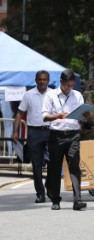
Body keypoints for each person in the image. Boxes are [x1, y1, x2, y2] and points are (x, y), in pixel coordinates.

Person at [42, 69, 87, 211]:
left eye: (72, 85)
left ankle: (77, 199)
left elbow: (82, 115)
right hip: (56, 135)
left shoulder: (77, 95)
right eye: (67, 85)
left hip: (73, 134)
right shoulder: (51, 95)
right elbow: (44, 117)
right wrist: (57, 115)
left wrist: (85, 115)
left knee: (74, 166)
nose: (69, 88)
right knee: (55, 168)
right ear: (61, 82)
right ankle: (55, 199)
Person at [12, 70, 51, 203]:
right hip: (34, 133)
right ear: (36, 80)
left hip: (50, 131)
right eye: (40, 79)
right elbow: (19, 113)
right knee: (36, 165)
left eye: (44, 79)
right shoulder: (28, 95)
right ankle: (40, 193)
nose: (42, 81)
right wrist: (15, 131)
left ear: (48, 81)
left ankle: (50, 188)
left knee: (53, 162)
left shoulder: (53, 94)